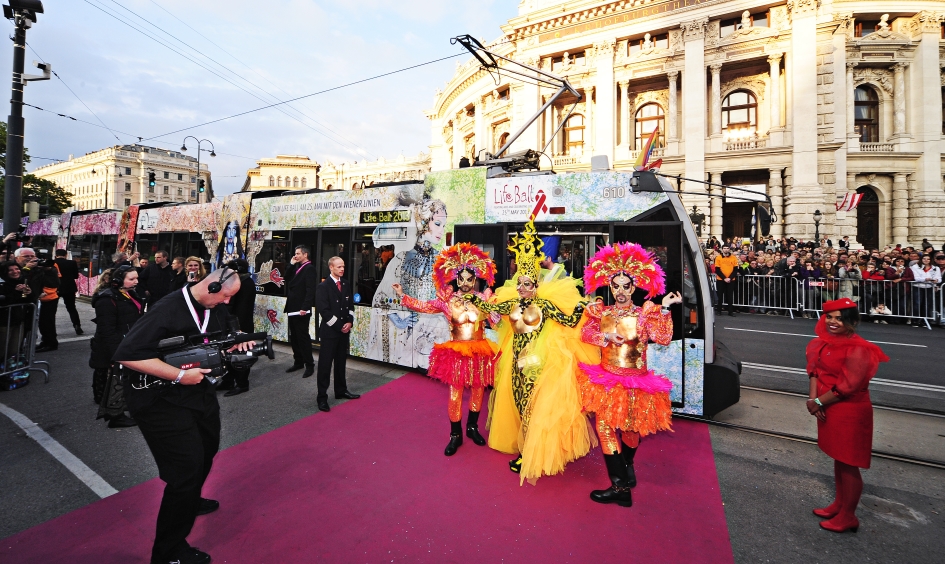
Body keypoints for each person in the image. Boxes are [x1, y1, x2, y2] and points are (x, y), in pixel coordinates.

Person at [115, 268, 251, 564]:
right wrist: (178, 376)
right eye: (226, 296)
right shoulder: (167, 309)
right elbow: (127, 354)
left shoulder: (213, 308)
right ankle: (168, 552)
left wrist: (235, 343)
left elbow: (216, 339)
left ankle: (189, 498)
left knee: (208, 447)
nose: (228, 303)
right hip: (158, 399)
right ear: (212, 286)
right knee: (186, 469)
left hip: (195, 392)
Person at [469, 219, 592, 484]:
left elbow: (569, 321)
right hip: (515, 364)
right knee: (519, 404)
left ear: (536, 285)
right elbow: (491, 311)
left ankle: (529, 451)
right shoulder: (511, 302)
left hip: (535, 364)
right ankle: (525, 447)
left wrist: (585, 306)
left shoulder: (545, 306)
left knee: (532, 407)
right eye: (520, 283)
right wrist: (471, 297)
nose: (523, 288)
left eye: (528, 284)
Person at [576, 243, 681, 508]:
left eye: (625, 286)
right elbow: (585, 334)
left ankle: (626, 463)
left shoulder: (645, 313)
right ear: (610, 287)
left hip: (636, 381)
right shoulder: (602, 312)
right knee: (605, 427)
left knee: (633, 429)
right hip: (607, 380)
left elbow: (664, 338)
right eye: (616, 286)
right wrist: (605, 336)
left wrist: (666, 308)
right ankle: (620, 486)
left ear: (634, 288)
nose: (620, 291)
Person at [392, 243, 498, 456]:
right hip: (456, 353)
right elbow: (424, 306)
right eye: (462, 279)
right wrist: (403, 295)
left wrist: (496, 311)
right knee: (455, 393)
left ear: (475, 279)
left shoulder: (484, 299)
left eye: (470, 279)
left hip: (479, 352)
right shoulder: (446, 300)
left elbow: (497, 322)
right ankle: (455, 435)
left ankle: (472, 428)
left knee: (478, 390)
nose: (466, 283)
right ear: (456, 279)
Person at [805, 298, 889, 534]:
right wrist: (813, 400)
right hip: (827, 407)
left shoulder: (859, 348)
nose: (833, 322)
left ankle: (848, 516)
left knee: (849, 463)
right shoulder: (821, 343)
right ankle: (839, 505)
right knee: (838, 458)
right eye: (829, 317)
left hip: (849, 410)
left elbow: (848, 386)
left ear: (851, 321)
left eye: (839, 318)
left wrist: (819, 401)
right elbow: (814, 372)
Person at [89, 265, 142, 428]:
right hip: (113, 347)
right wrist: (116, 354)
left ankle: (121, 410)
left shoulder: (128, 294)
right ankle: (115, 416)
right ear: (119, 280)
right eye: (131, 279)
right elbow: (107, 330)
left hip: (127, 343)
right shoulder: (107, 299)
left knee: (122, 380)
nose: (135, 282)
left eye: (136, 278)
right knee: (113, 382)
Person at [314, 256, 359, 412]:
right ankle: (322, 397)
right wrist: (340, 325)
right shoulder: (323, 286)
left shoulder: (345, 283)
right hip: (330, 332)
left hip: (343, 333)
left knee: (341, 363)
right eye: (339, 267)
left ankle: (341, 390)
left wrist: (350, 322)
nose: (342, 269)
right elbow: (324, 311)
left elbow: (350, 306)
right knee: (325, 366)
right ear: (331, 268)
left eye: (343, 266)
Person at [220, 259, 256, 397]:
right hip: (234, 324)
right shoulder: (244, 280)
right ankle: (228, 380)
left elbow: (235, 306)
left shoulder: (243, 283)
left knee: (240, 354)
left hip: (240, 325)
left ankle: (242, 384)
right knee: (227, 353)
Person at [284, 245, 318, 378]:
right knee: (294, 337)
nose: (295, 256)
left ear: (305, 255)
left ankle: (309, 365)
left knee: (303, 337)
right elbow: (286, 278)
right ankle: (298, 361)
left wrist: (305, 307)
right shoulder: (297, 267)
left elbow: (310, 290)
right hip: (293, 307)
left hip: (301, 309)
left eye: (298, 254)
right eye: (295, 253)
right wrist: (291, 264)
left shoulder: (309, 269)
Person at [34, 257, 61, 352]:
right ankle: (45, 341)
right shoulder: (39, 269)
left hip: (50, 298)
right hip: (44, 298)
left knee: (47, 322)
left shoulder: (52, 269)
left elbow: (54, 282)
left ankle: (51, 343)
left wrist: (47, 270)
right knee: (42, 322)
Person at [54, 249, 83, 335]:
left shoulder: (52, 263)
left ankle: (52, 329)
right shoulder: (72, 263)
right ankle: (77, 325)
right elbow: (75, 276)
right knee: (71, 308)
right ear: (66, 255)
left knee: (52, 309)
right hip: (69, 287)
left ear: (56, 255)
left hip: (56, 287)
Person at [910, 254, 941, 322]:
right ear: (921, 259)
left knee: (927, 304)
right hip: (918, 286)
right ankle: (915, 320)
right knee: (917, 303)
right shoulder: (915, 267)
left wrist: (936, 280)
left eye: (928, 259)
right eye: (924, 259)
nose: (926, 260)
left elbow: (939, 278)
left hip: (929, 287)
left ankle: (925, 320)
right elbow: (916, 278)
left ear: (930, 260)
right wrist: (925, 279)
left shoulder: (935, 268)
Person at [714, 247, 739, 316]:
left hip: (731, 280)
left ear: (729, 249)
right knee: (720, 295)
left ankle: (730, 311)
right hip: (720, 280)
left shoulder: (733, 257)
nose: (726, 249)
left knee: (730, 296)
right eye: (724, 248)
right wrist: (724, 278)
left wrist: (730, 278)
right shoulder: (718, 257)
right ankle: (719, 310)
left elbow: (735, 270)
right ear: (722, 249)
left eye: (727, 248)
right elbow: (717, 270)